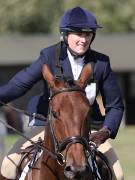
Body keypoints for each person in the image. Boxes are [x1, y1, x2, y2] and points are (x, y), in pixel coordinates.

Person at [0, 6, 124, 180]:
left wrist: (104, 132)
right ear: (66, 35)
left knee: (118, 174)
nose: (83, 39)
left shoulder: (101, 63)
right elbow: (19, 85)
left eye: (88, 34)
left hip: (88, 131)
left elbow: (116, 106)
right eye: (78, 34)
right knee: (8, 167)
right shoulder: (49, 56)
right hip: (49, 125)